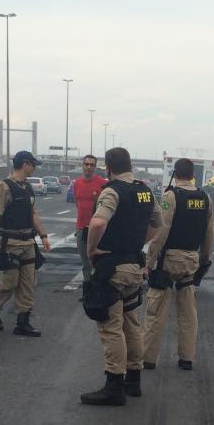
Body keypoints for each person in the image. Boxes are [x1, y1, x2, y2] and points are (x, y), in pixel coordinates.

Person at [80, 147, 162, 406]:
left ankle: (114, 384)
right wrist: (138, 243)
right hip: (134, 267)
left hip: (112, 269)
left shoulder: (112, 190)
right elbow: (158, 224)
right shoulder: (145, 191)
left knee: (111, 327)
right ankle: (133, 381)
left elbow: (97, 223)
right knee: (131, 323)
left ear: (108, 167)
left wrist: (92, 249)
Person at [142, 158, 214, 371]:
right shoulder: (205, 198)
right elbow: (209, 233)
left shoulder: (170, 196)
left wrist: (148, 261)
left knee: (156, 311)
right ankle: (186, 358)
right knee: (188, 313)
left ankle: (147, 358)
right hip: (191, 260)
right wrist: (204, 260)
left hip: (168, 261)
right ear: (193, 175)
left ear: (176, 173)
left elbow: (161, 232)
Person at [0, 150, 51, 337]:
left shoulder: (28, 188)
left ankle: (23, 322)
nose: (35, 168)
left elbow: (34, 214)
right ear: (25, 164)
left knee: (28, 284)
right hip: (10, 242)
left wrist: (43, 235)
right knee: (10, 281)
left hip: (28, 242)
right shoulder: (3, 187)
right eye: (33, 164)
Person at [73, 155, 107, 286]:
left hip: (97, 229)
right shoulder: (77, 184)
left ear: (95, 167)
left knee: (97, 261)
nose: (89, 167)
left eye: (92, 165)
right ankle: (88, 291)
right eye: (86, 164)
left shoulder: (102, 184)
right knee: (85, 263)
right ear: (82, 165)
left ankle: (99, 288)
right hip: (81, 228)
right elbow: (78, 204)